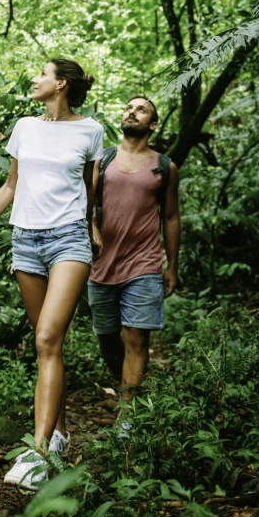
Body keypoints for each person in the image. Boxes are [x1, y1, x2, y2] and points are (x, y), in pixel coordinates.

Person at [0, 59, 103, 490]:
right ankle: (57, 434)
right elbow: (11, 184)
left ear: (60, 84)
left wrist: (93, 226)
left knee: (46, 340)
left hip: (68, 242)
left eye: (41, 74)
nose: (34, 80)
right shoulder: (25, 126)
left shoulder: (91, 130)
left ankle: (38, 453)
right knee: (46, 344)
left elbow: (92, 189)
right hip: (26, 241)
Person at [89, 96, 181, 436]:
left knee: (136, 338)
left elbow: (171, 217)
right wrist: (92, 228)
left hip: (144, 263)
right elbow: (85, 203)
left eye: (141, 109)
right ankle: (127, 381)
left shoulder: (164, 167)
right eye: (129, 107)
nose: (132, 111)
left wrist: (172, 265)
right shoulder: (103, 159)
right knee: (106, 337)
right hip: (102, 264)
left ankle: (127, 415)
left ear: (152, 125)